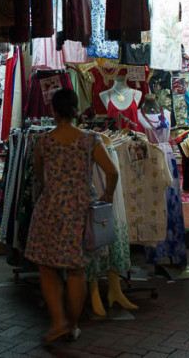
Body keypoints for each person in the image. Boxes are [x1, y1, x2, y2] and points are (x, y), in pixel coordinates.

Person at [24, 88, 119, 343]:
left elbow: (40, 177)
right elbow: (112, 172)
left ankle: (57, 323)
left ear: (53, 111)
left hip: (50, 209)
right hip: (80, 209)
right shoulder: (90, 140)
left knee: (47, 267)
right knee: (77, 271)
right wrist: (106, 196)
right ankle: (73, 325)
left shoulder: (42, 141)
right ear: (76, 110)